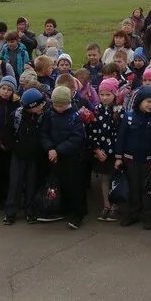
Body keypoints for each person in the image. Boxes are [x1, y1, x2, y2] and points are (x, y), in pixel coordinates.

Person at [40, 86, 88, 230]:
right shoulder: (50, 114)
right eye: (55, 104)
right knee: (60, 184)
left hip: (72, 157)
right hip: (55, 156)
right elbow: (44, 133)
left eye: (60, 105)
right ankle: (61, 209)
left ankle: (78, 213)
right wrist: (50, 148)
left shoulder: (75, 116)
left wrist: (58, 150)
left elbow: (77, 138)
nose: (57, 108)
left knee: (75, 186)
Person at [114, 85, 151, 229]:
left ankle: (148, 216)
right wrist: (118, 157)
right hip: (130, 159)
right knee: (133, 188)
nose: (150, 105)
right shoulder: (128, 116)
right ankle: (133, 214)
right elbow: (121, 137)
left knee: (147, 189)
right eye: (148, 101)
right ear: (139, 100)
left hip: (147, 161)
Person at [5, 87, 47, 224]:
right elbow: (8, 136)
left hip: (34, 156)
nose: (43, 106)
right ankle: (10, 212)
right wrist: (16, 149)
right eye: (39, 104)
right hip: (18, 155)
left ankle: (30, 210)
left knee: (31, 184)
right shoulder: (16, 116)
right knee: (15, 183)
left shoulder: (42, 116)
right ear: (31, 106)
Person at [87, 77, 123, 223]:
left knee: (115, 179)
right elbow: (91, 131)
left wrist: (115, 153)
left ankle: (115, 205)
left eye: (108, 94)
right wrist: (96, 149)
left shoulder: (119, 111)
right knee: (104, 178)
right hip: (100, 152)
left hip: (114, 152)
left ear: (114, 94)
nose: (104, 97)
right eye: (102, 94)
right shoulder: (96, 110)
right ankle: (106, 205)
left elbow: (120, 134)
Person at [0, 76, 21, 210]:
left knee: (8, 173)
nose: (6, 92)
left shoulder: (17, 104)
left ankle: (8, 196)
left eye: (9, 89)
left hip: (10, 143)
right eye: (4, 88)